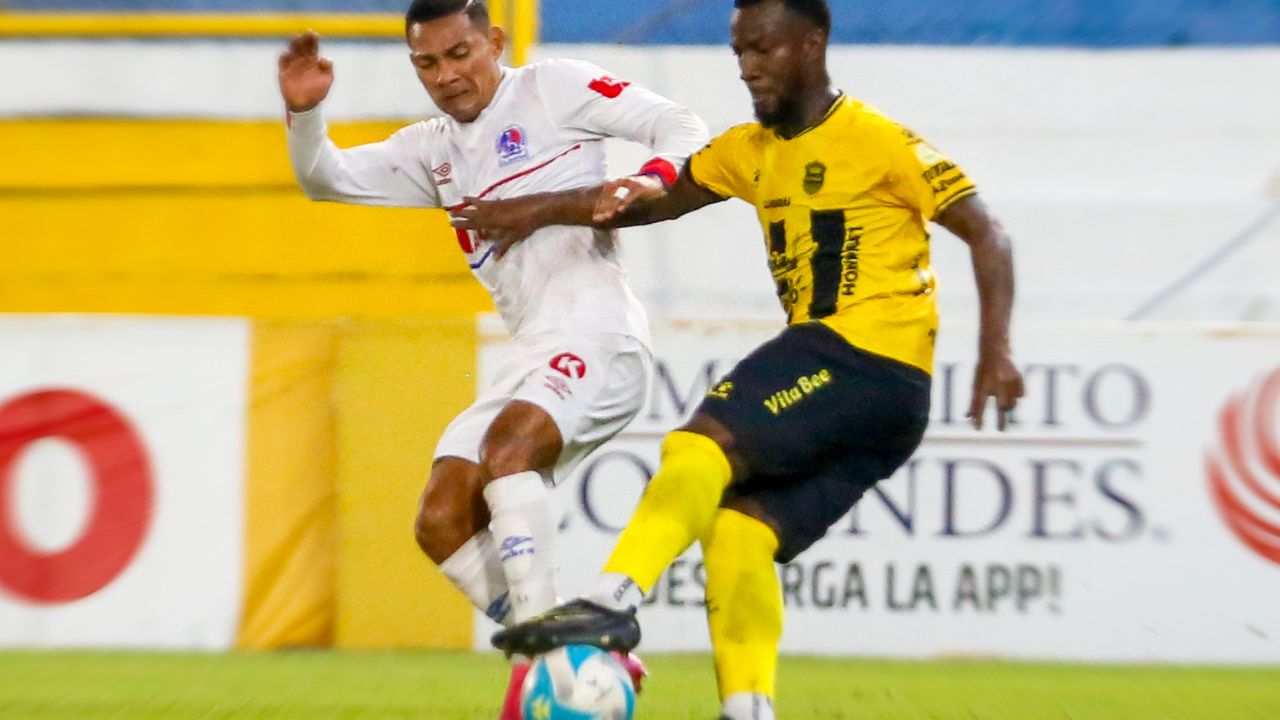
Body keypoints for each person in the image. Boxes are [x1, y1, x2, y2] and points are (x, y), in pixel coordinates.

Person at [449, 0, 1025, 717]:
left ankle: (612, 602)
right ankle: (748, 709)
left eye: (766, 50)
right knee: (738, 535)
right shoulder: (747, 151)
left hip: (863, 351)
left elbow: (987, 232)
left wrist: (995, 349)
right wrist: (535, 210)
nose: (751, 68)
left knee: (700, 445)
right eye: (741, 54)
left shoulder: (876, 140)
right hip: (889, 412)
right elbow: (644, 203)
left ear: (813, 44)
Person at [278, 1, 708, 717]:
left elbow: (682, 125)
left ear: (494, 42)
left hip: (601, 336)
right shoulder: (431, 149)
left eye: (459, 54)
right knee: (442, 517)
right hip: (534, 354)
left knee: (510, 452)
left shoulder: (554, 87)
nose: (447, 76)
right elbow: (326, 179)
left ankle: (550, 656)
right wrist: (306, 116)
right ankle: (584, 653)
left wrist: (649, 178)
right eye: (427, 63)